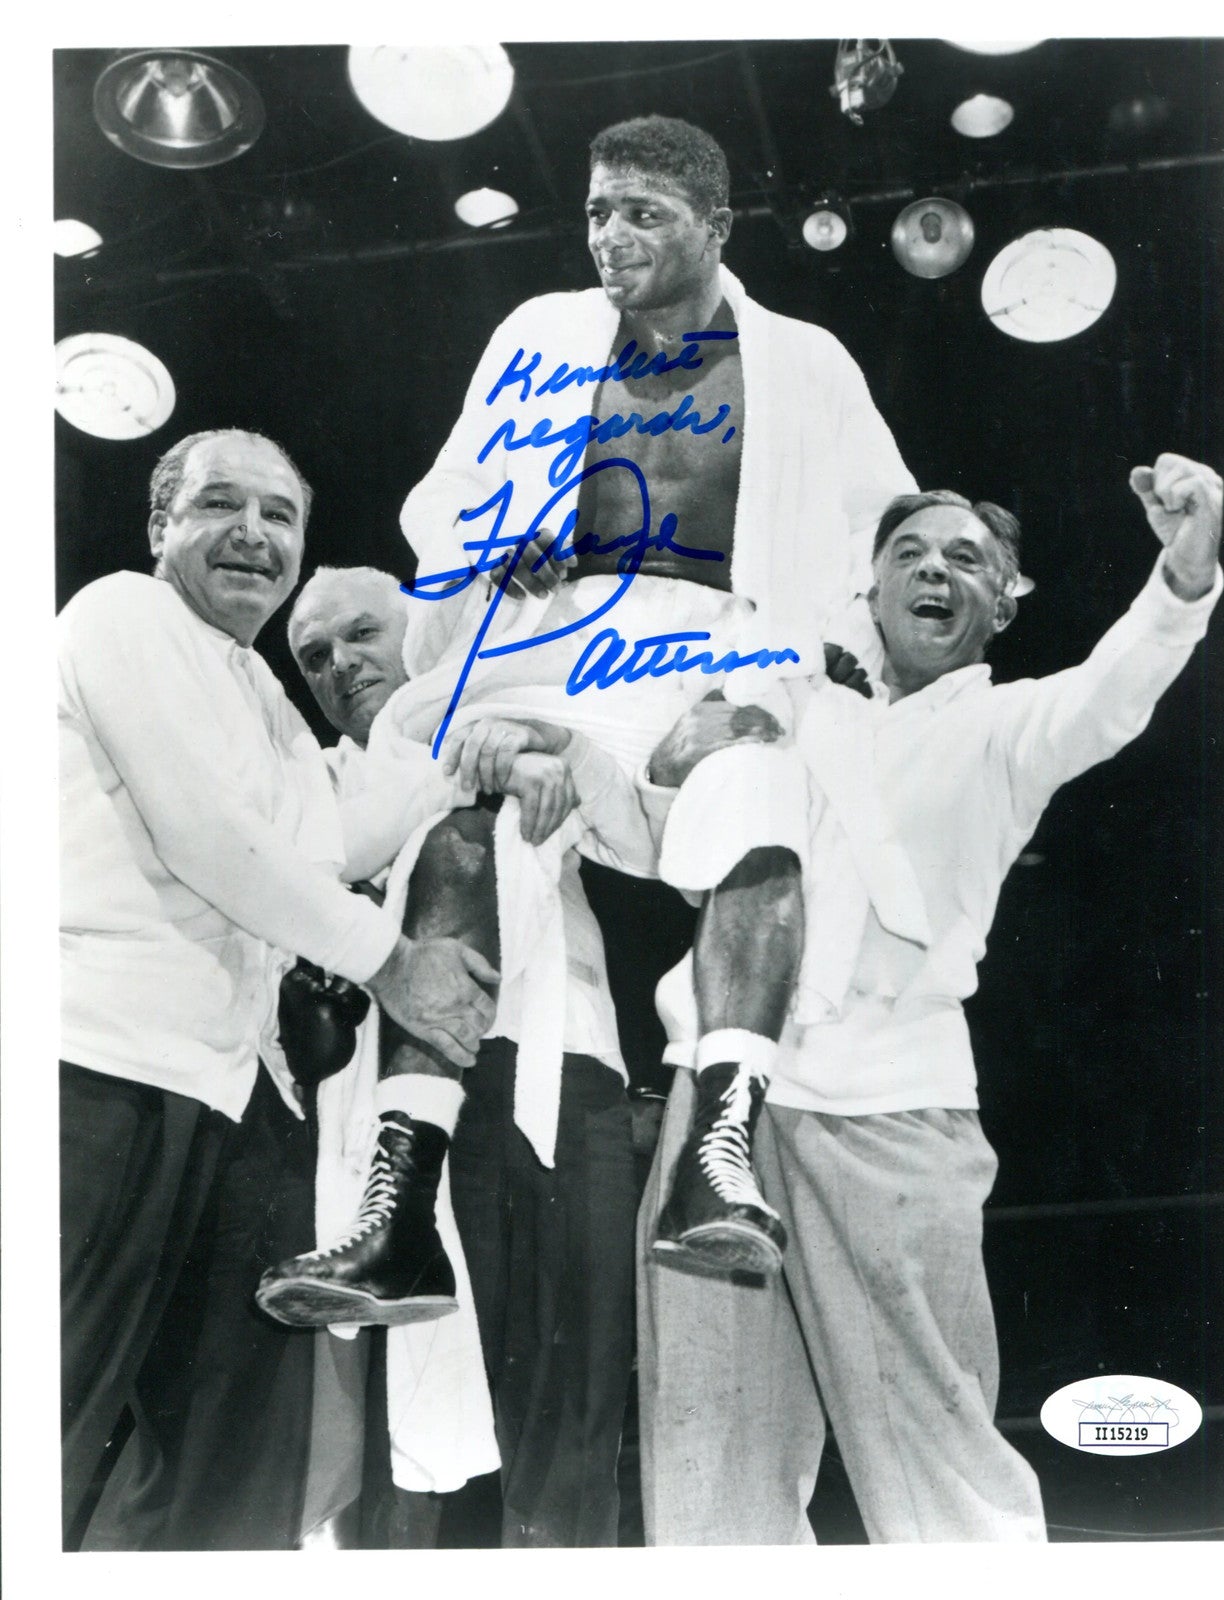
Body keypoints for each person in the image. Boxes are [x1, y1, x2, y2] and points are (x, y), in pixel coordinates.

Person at [635, 452, 1224, 1543]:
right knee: (708, 1468)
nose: (932, 570)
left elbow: (1112, 692)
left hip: (891, 1108)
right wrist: (669, 758)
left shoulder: (1008, 730)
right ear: (869, 591)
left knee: (942, 1469)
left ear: (1004, 602)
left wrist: (1182, 578)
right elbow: (671, 843)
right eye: (906, 552)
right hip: (719, 1105)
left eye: (965, 557)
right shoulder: (795, 706)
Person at [394, 113, 917, 1282]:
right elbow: (443, 494)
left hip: (718, 650)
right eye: (597, 211)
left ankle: (714, 1159)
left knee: (763, 799)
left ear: (717, 225)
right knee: (460, 832)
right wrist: (492, 538)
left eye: (644, 213)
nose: (611, 237)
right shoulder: (539, 331)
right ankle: (400, 1198)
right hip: (556, 643)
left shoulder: (806, 362)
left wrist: (782, 684)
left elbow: (878, 541)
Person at [58, 429, 501, 1548]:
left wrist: (490, 743)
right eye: (221, 505)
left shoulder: (259, 693)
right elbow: (210, 838)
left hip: (219, 1099)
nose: (254, 533)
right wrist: (393, 964)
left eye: (280, 514)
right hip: (86, 1066)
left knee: (228, 1468)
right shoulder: (122, 613)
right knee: (49, 1412)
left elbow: (328, 838)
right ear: (159, 528)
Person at [260, 565, 658, 1546]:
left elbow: (649, 843)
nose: (339, 664)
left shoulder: (519, 712)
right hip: (373, 1112)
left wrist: (554, 747)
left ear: (424, 633)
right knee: (396, 1462)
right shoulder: (310, 785)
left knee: (567, 1426)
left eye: (362, 634)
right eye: (314, 655)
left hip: (553, 1071)